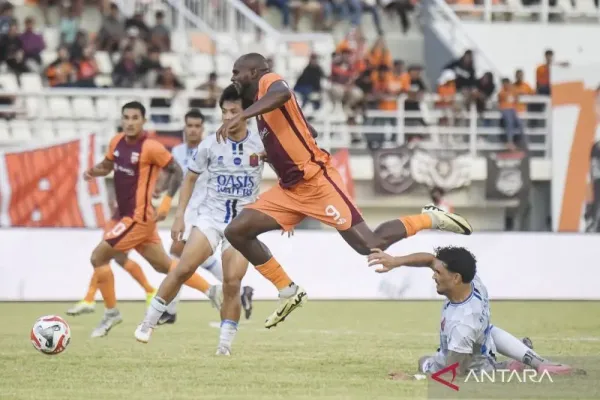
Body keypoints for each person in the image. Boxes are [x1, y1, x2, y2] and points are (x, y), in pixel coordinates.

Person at [216, 53, 473, 330]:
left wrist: (242, 115)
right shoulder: (262, 108)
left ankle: (429, 217)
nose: (233, 77)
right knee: (237, 231)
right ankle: (288, 290)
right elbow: (309, 130)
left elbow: (282, 93)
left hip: (317, 182)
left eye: (237, 72)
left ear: (254, 72)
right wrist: (276, 153)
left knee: (369, 245)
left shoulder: (270, 82)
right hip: (290, 190)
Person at [134, 86, 265, 355]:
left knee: (232, 282)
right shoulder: (209, 144)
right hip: (210, 218)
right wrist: (179, 216)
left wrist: (285, 213)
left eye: (234, 112)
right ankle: (149, 322)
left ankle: (224, 346)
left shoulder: (261, 145)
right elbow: (189, 178)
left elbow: (287, 175)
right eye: (224, 112)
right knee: (182, 267)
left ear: (248, 114)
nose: (227, 117)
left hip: (242, 225)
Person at [84, 101, 219, 338]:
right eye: (126, 117)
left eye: (135, 118)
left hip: (137, 218)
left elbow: (177, 171)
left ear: (143, 121)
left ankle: (111, 312)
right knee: (163, 265)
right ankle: (212, 291)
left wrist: (166, 202)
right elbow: (108, 165)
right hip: (128, 218)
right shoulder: (116, 142)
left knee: (98, 256)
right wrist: (94, 171)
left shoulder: (151, 147)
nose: (130, 122)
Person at [367, 246, 574, 379]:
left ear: (455, 278)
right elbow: (430, 259)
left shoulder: (463, 324)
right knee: (488, 331)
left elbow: (452, 374)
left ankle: (503, 368)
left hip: (472, 366)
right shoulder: (472, 281)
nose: (433, 276)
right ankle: (531, 360)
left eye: (438, 272)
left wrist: (412, 378)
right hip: (482, 342)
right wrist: (396, 261)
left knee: (425, 363)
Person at [168, 108, 255, 323]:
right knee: (181, 256)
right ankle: (171, 309)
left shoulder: (213, 146)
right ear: (184, 128)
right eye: (190, 126)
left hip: (206, 210)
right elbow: (177, 178)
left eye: (197, 126)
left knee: (179, 253)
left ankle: (173, 307)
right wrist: (166, 199)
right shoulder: (177, 151)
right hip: (189, 209)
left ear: (203, 128)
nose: (193, 130)